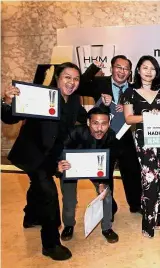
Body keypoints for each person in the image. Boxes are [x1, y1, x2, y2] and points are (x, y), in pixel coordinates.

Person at [1, 62, 87, 260]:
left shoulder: (74, 101)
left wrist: (103, 111)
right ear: (58, 78)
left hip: (51, 155)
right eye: (67, 77)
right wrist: (6, 100)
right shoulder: (40, 95)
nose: (71, 82)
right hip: (33, 154)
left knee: (36, 186)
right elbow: (9, 118)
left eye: (76, 79)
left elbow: (83, 117)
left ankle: (30, 217)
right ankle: (50, 244)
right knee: (48, 193)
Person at [77, 55, 142, 216]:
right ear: (112, 68)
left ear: (129, 72)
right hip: (103, 138)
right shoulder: (100, 83)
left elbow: (141, 110)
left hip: (125, 136)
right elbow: (80, 86)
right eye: (118, 67)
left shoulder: (134, 89)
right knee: (104, 174)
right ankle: (109, 208)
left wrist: (127, 108)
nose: (122, 71)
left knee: (132, 172)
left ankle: (136, 205)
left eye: (125, 69)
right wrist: (93, 68)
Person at [122, 56, 160, 238]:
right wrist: (147, 116)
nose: (149, 71)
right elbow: (128, 118)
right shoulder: (130, 92)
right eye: (145, 67)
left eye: (152, 68)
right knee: (149, 180)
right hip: (145, 142)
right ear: (138, 70)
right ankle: (148, 224)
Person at [57, 107, 118, 243]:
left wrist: (103, 182)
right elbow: (60, 150)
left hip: (96, 169)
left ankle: (107, 227)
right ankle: (68, 225)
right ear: (88, 122)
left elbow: (110, 161)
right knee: (69, 198)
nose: (99, 128)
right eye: (95, 123)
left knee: (106, 195)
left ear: (109, 123)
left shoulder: (111, 136)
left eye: (104, 123)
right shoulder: (75, 132)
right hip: (72, 167)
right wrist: (60, 164)